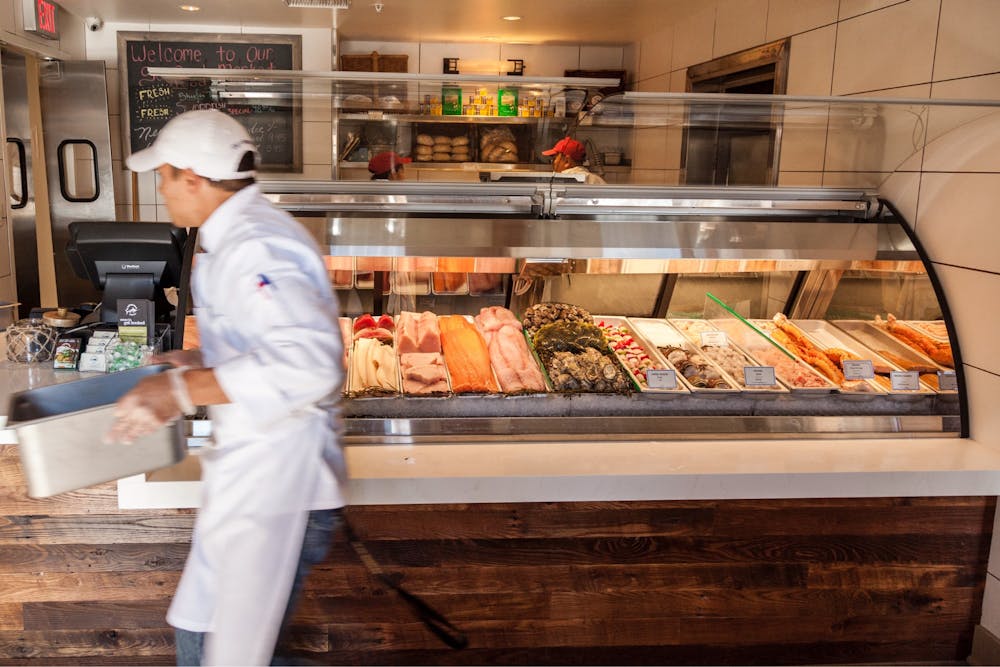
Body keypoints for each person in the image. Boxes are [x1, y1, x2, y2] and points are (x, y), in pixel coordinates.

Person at [106, 109, 347, 666]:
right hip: (255, 479)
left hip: (281, 486)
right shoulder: (238, 234)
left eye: (164, 176)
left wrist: (183, 391)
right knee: (212, 646)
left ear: (193, 177)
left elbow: (309, 363)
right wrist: (200, 359)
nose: (161, 190)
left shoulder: (257, 245)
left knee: (214, 651)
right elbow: (265, 342)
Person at [542, 136, 607, 184]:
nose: (553, 163)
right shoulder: (597, 181)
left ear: (567, 161)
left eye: (554, 159)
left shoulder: (560, 181)